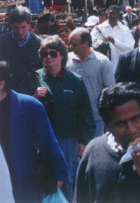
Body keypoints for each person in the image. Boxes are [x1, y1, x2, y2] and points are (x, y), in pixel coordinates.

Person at [34, 36, 95, 201]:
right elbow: (22, 106)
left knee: (67, 180)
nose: (48, 57)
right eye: (44, 54)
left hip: (67, 140)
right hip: (40, 140)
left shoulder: (75, 80)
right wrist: (34, 96)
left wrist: (84, 141)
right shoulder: (34, 78)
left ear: (62, 55)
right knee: (41, 179)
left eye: (52, 53)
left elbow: (85, 113)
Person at [0, 61, 68, 202]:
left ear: (1, 84)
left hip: (23, 179)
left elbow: (48, 141)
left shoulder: (29, 106)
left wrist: (59, 172)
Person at [67, 28, 115, 137]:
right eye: (69, 44)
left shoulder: (102, 62)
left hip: (96, 119)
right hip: (73, 118)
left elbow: (110, 91)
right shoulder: (67, 60)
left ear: (86, 44)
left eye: (74, 44)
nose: (70, 47)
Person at [0, 6, 42, 95]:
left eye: (23, 27)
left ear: (29, 24)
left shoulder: (39, 44)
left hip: (32, 93)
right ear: (11, 25)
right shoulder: (2, 42)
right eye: (16, 27)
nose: (20, 31)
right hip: (7, 93)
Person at [91, 5, 135, 72]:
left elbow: (130, 48)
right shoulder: (99, 28)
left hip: (120, 68)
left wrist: (114, 41)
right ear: (107, 14)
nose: (113, 16)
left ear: (118, 15)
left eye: (115, 14)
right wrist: (101, 43)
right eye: (111, 13)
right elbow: (92, 42)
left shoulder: (125, 30)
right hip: (102, 68)